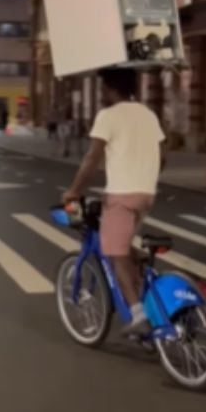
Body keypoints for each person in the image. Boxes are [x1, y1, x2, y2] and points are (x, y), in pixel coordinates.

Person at [62, 67, 166, 336]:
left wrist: (73, 191)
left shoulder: (107, 116)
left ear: (111, 89)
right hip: (146, 194)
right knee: (122, 241)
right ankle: (139, 262)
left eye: (102, 89)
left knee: (114, 254)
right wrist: (143, 174)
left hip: (122, 196)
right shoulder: (148, 114)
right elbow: (162, 156)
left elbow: (92, 159)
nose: (100, 94)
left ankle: (137, 314)